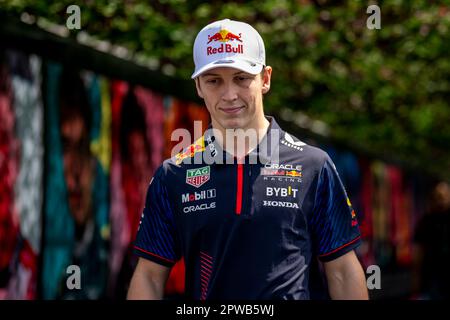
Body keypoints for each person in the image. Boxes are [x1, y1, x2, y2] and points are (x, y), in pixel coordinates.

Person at [127, 19, 368, 300]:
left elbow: (342, 270)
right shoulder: (174, 175)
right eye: (214, 80)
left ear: (265, 79)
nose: (229, 95)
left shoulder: (314, 165)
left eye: (242, 78)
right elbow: (149, 276)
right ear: (198, 87)